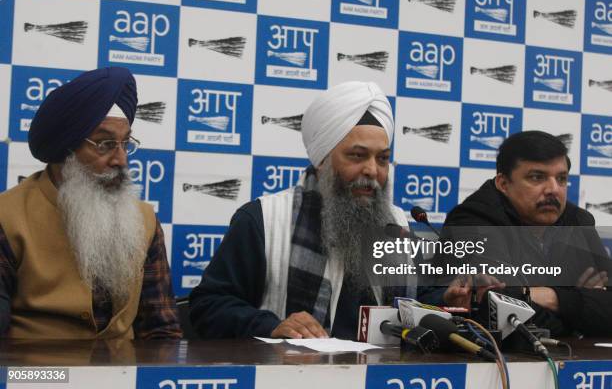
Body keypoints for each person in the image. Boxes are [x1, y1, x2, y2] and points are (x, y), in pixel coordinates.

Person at [189, 81, 417, 340]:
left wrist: (446, 295)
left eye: (382, 158)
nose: (372, 170)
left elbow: (415, 302)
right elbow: (207, 305)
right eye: (357, 156)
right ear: (322, 161)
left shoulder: (396, 224)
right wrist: (270, 326)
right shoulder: (264, 220)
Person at [0, 67, 182, 339]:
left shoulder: (143, 221)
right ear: (67, 149)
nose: (121, 160)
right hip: (37, 377)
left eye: (125, 143)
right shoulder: (8, 217)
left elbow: (161, 330)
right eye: (104, 144)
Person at [433, 131, 612, 336]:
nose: (553, 189)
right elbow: (506, 315)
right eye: (537, 177)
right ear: (503, 184)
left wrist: (551, 297)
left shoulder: (579, 222)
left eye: (561, 179)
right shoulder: (473, 220)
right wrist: (581, 303)